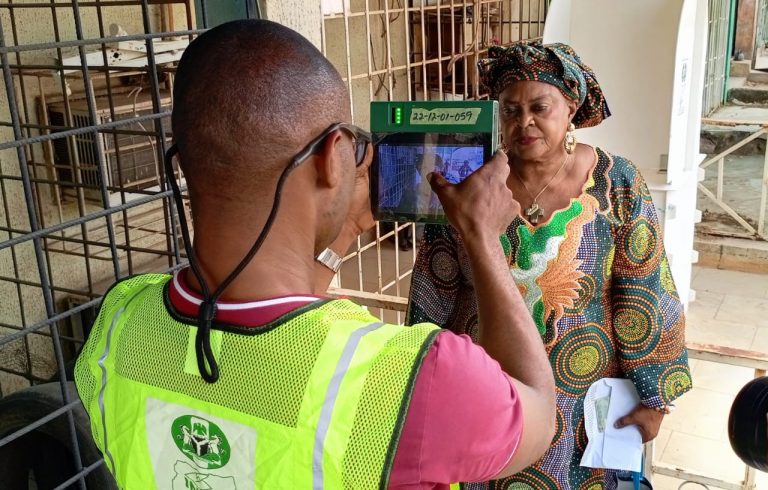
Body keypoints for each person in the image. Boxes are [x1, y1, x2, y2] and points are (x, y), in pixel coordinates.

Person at [74, 20, 557, 489]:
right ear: (333, 155)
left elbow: (272, 325)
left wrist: (343, 230)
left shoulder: (119, 319)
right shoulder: (415, 381)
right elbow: (537, 411)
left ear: (183, 159)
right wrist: (482, 237)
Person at [407, 41, 693, 489]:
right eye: (509, 110)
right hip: (488, 387)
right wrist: (423, 377)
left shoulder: (617, 181)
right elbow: (434, 286)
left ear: (571, 107)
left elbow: (644, 287)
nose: (524, 123)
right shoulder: (468, 185)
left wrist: (655, 396)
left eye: (540, 107)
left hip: (583, 395)